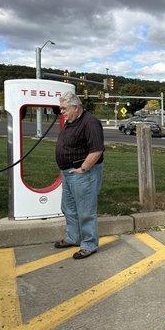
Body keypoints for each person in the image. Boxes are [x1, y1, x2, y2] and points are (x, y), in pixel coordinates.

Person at [54, 91, 104, 259]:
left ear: (76, 107)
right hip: (68, 173)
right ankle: (73, 237)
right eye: (61, 109)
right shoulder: (71, 121)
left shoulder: (91, 123)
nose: (61, 112)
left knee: (85, 211)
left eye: (64, 108)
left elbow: (96, 150)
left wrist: (83, 169)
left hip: (83, 174)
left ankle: (89, 244)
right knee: (68, 208)